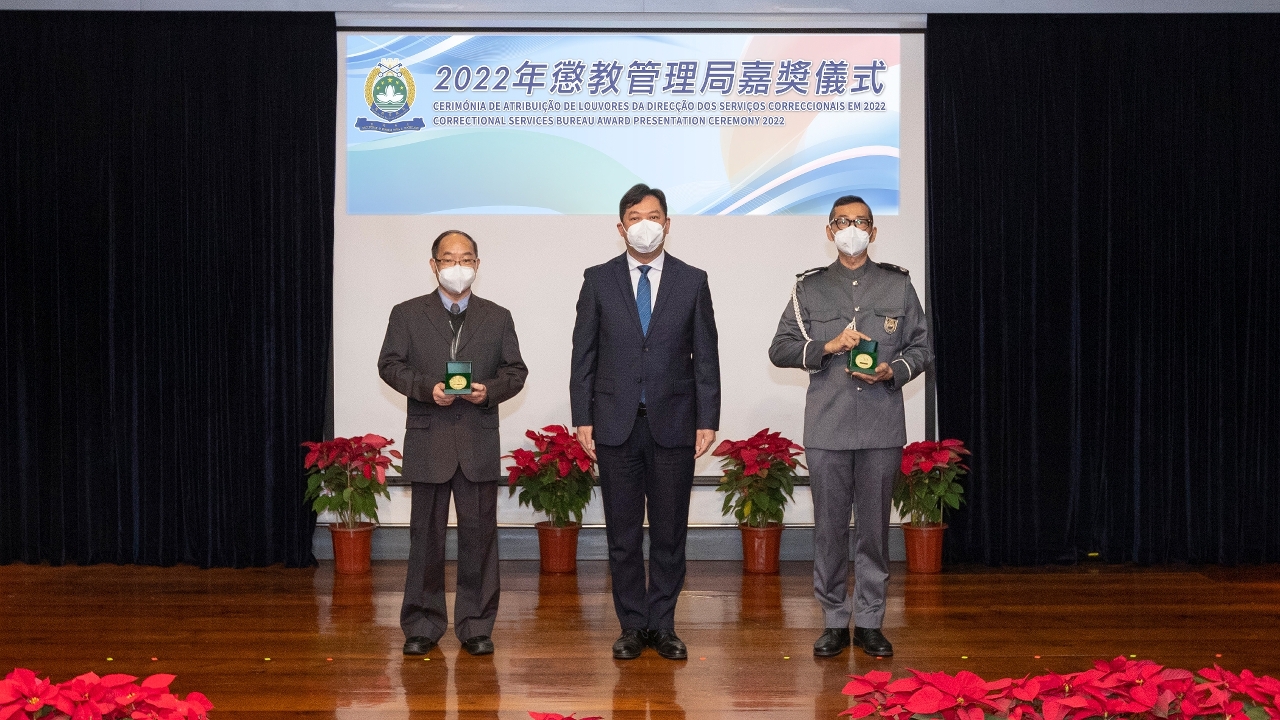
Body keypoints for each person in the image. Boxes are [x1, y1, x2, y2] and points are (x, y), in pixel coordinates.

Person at [768, 195, 933, 658]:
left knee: (875, 531)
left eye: (861, 222)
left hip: (881, 426)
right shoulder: (809, 288)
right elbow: (780, 348)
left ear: (873, 232)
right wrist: (827, 345)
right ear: (829, 231)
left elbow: (922, 347)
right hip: (828, 427)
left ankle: (872, 621)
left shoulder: (898, 285)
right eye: (843, 222)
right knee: (830, 530)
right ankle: (835, 621)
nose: (852, 229)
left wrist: (893, 370)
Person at [570, 183, 721, 661]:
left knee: (671, 533)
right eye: (634, 217)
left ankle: (664, 624)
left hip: (674, 423)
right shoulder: (598, 279)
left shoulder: (692, 280)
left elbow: (706, 356)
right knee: (623, 534)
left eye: (653, 216)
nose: (644, 225)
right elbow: (583, 354)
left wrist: (708, 417)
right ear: (621, 228)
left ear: (668, 224)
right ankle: (633, 625)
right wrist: (582, 416)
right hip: (615, 425)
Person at [378, 229, 528, 657]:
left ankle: (476, 625)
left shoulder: (497, 316)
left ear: (477, 265)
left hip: (477, 440)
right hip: (429, 440)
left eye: (465, 259)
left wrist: (488, 392)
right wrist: (426, 389)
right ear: (434, 265)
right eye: (448, 259)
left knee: (479, 539)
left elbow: (515, 372)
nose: (457, 267)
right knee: (424, 539)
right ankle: (422, 624)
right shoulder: (407, 313)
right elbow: (389, 365)